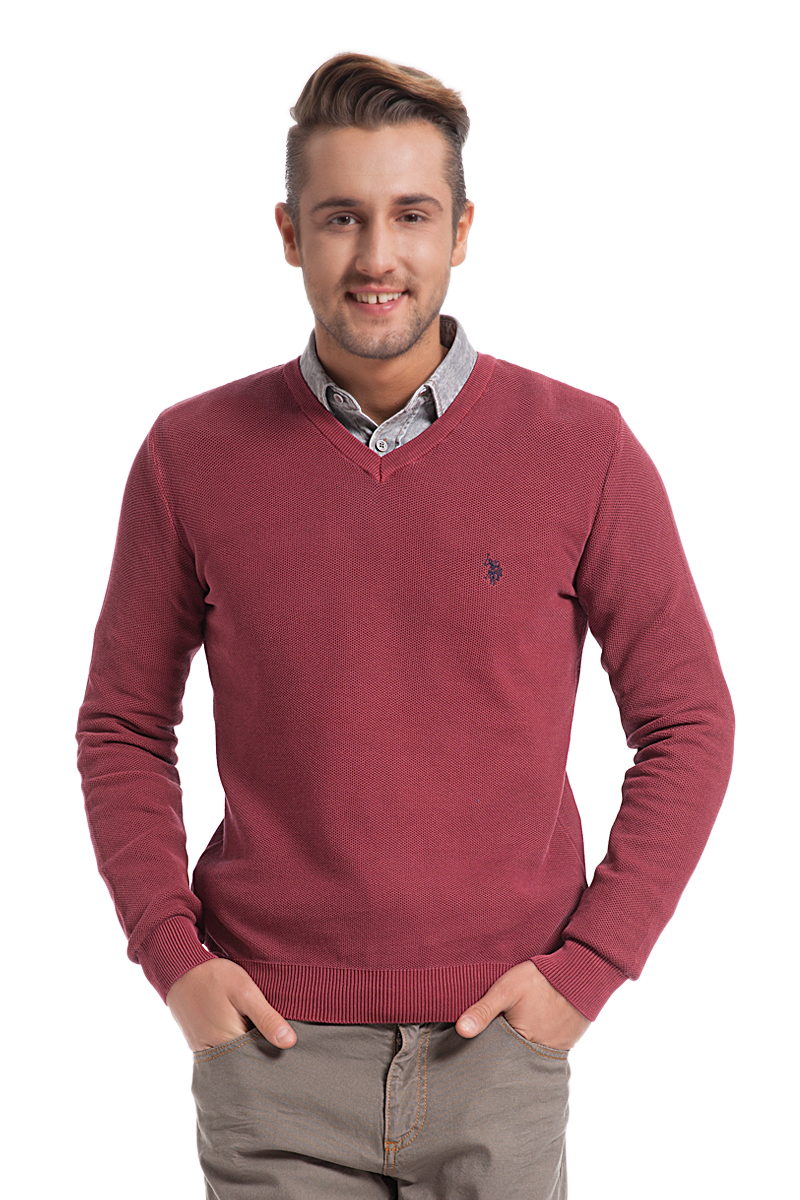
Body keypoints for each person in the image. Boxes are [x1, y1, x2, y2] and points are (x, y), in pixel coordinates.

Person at [76, 51, 735, 1199]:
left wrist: (586, 969)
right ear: (289, 233)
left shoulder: (582, 448)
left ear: (461, 230)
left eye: (411, 215)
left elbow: (686, 722)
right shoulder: (191, 456)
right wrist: (174, 960)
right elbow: (123, 726)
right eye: (341, 217)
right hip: (271, 1054)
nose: (376, 256)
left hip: (499, 1049)